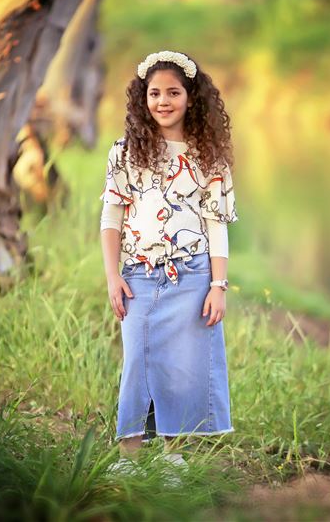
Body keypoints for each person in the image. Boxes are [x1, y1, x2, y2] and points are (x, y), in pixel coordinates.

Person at [99, 51, 238, 473]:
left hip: (192, 276)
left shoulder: (208, 156)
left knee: (179, 365)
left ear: (190, 97)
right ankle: (128, 456)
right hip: (138, 275)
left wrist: (218, 286)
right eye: (155, 93)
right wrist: (112, 276)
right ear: (143, 99)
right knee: (137, 361)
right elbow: (111, 217)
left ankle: (172, 456)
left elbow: (216, 224)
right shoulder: (125, 152)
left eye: (173, 92)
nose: (163, 101)